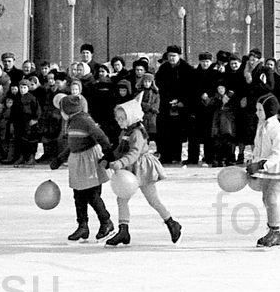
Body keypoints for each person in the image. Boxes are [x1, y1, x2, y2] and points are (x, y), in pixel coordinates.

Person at [101, 96, 182, 247]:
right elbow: (120, 149)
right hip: (129, 169)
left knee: (152, 199)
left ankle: (172, 223)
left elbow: (134, 153)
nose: (119, 121)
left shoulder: (137, 133)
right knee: (122, 198)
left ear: (131, 117)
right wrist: (108, 158)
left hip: (142, 168)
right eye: (117, 118)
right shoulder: (125, 131)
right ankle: (123, 230)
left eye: (122, 118)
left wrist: (120, 162)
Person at [49, 94, 115, 242]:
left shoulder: (84, 120)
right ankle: (82, 226)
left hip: (89, 160)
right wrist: (60, 159)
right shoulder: (72, 122)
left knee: (92, 194)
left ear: (67, 110)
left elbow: (101, 136)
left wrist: (108, 153)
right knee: (78, 195)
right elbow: (72, 145)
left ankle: (106, 222)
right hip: (78, 160)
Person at [246, 94, 280, 247]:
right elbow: (259, 147)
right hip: (268, 168)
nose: (257, 113)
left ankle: (276, 233)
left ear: (268, 111)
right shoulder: (262, 125)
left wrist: (261, 165)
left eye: (260, 110)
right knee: (266, 198)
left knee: (271, 198)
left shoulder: (276, 129)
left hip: (279, 168)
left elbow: (279, 153)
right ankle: (271, 229)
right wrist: (253, 162)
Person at [154, 45, 193, 164]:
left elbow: (191, 88)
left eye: (174, 56)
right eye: (170, 56)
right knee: (164, 131)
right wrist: (167, 100)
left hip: (181, 105)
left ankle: (176, 157)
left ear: (179, 56)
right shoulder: (163, 68)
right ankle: (164, 156)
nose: (172, 58)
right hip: (165, 104)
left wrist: (182, 102)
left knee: (177, 132)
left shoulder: (187, 69)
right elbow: (159, 85)